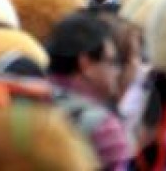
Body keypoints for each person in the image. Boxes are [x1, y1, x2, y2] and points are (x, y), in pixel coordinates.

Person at [47, 11, 134, 170]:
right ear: (85, 63)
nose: (117, 71)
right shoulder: (103, 128)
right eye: (112, 61)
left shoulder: (21, 100)